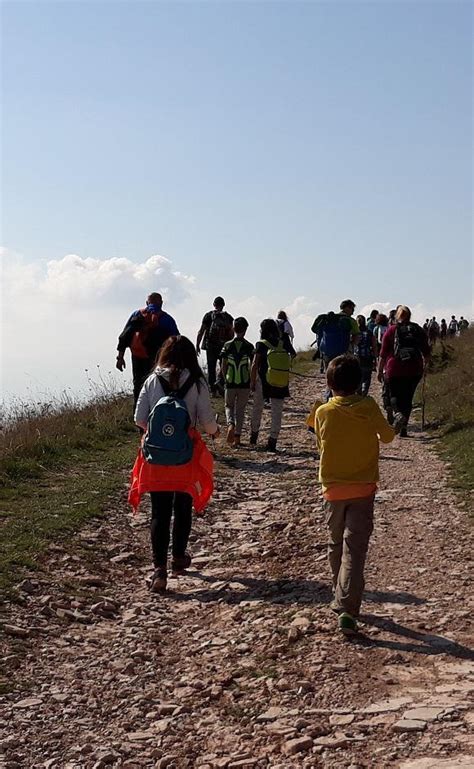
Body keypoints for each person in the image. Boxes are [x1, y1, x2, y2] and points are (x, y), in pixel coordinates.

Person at [314, 355, 396, 635]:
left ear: (330, 383)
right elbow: (387, 437)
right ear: (359, 382)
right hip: (363, 487)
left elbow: (320, 446)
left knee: (335, 543)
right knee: (355, 549)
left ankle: (340, 595)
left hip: (332, 488)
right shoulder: (369, 406)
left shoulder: (322, 412)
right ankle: (347, 608)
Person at [134, 336, 219, 592]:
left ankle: (159, 570)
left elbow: (139, 419)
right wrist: (213, 432)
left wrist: (162, 434)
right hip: (186, 454)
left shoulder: (152, 380)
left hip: (156, 457)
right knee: (183, 504)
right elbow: (207, 422)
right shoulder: (197, 382)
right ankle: (178, 557)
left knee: (159, 511)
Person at [116, 293, 179, 409]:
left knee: (138, 386)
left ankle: (138, 416)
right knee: (157, 385)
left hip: (137, 356)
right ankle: (157, 414)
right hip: (159, 358)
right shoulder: (167, 319)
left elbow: (124, 337)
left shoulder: (137, 315)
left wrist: (120, 358)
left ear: (147, 303)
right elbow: (176, 341)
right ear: (161, 303)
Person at [377, 305, 430, 437]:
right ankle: (404, 428)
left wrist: (379, 370)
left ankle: (398, 413)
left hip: (394, 367)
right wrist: (425, 365)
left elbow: (383, 354)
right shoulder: (417, 329)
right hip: (414, 368)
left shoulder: (391, 330)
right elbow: (426, 351)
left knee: (394, 395)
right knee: (407, 397)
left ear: (397, 316)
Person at [250, 318, 295, 452]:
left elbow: (254, 365)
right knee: (277, 411)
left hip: (263, 381)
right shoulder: (283, 342)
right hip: (280, 381)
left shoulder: (261, 344)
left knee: (257, 408)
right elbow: (293, 354)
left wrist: (252, 381)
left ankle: (254, 435)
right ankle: (273, 440)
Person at [311, 299, 359, 400]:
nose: (353, 311)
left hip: (327, 352)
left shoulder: (328, 318)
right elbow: (356, 337)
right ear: (347, 307)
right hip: (343, 352)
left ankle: (328, 398)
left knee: (330, 376)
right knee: (344, 377)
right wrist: (351, 346)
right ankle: (342, 398)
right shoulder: (350, 320)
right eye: (352, 308)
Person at [220, 317, 254, 447]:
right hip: (244, 382)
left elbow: (223, 364)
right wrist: (252, 381)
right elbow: (252, 365)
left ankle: (230, 424)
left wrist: (225, 378)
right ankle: (237, 438)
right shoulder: (249, 346)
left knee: (229, 406)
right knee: (240, 409)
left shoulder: (227, 345)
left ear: (233, 329)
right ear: (245, 330)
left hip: (230, 381)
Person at [196, 297, 234, 395]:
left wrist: (197, 345)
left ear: (214, 304)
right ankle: (221, 385)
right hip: (223, 346)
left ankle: (213, 390)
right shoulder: (228, 318)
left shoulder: (208, 316)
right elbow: (231, 334)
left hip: (210, 346)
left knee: (211, 367)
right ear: (223, 305)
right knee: (224, 366)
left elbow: (201, 331)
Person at [355, 315, 377, 396]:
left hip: (356, 358)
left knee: (357, 377)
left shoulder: (354, 333)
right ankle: (364, 392)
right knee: (367, 377)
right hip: (367, 357)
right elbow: (374, 346)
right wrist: (375, 358)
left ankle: (358, 393)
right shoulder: (369, 333)